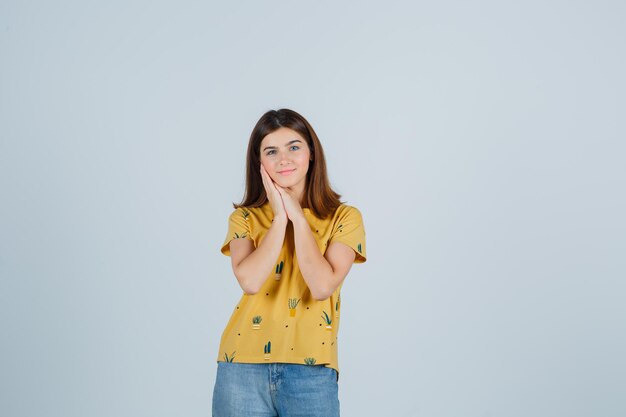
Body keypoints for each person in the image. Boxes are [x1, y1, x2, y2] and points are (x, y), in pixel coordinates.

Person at [212, 108, 367, 417]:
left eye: (294, 147)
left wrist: (297, 214)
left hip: (311, 371)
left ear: (311, 153)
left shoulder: (344, 218)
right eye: (271, 151)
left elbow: (322, 285)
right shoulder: (244, 218)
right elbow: (251, 280)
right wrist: (280, 217)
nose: (283, 159)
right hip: (241, 368)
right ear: (260, 164)